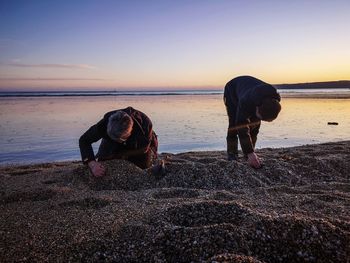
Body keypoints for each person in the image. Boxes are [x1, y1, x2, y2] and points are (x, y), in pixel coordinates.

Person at [79, 106, 162, 177]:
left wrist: (121, 155)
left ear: (131, 130)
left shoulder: (145, 125)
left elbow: (144, 149)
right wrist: (92, 163)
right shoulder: (103, 124)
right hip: (110, 142)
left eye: (119, 139)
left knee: (144, 168)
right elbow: (84, 140)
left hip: (140, 145)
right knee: (102, 164)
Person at [223, 76, 281, 168]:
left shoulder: (273, 99)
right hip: (232, 90)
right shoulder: (245, 101)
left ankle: (249, 154)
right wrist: (250, 153)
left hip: (251, 92)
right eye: (261, 117)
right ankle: (232, 154)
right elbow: (241, 126)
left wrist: (250, 152)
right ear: (257, 108)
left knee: (254, 125)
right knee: (234, 124)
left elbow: (255, 125)